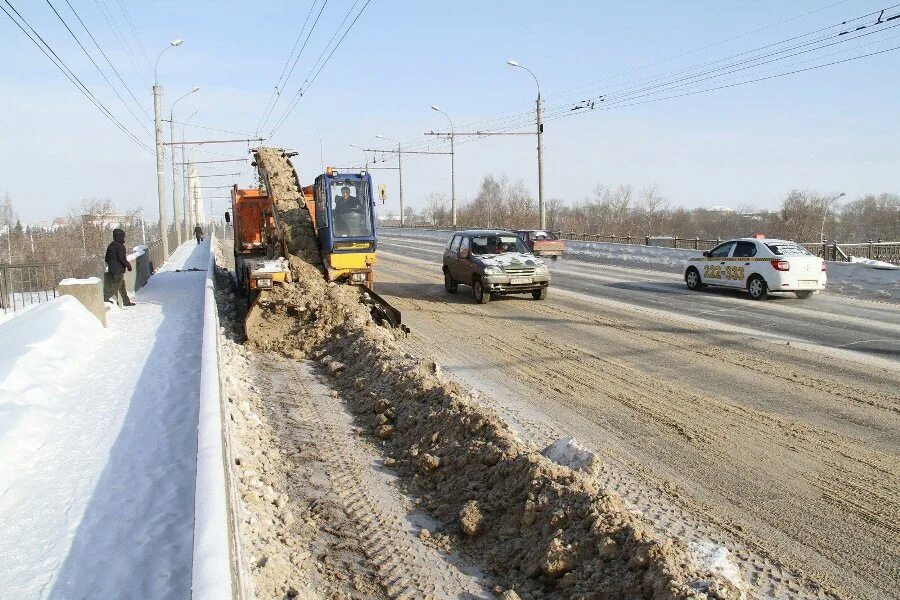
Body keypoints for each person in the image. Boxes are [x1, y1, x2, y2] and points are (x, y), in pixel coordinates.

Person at [104, 228, 134, 306]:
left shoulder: (111, 245)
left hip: (112, 269)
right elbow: (122, 259)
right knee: (117, 285)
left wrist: (111, 265)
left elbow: (106, 258)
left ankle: (126, 301)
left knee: (121, 286)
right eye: (123, 236)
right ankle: (105, 297)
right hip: (118, 270)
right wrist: (129, 266)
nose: (123, 238)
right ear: (120, 236)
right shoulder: (120, 246)